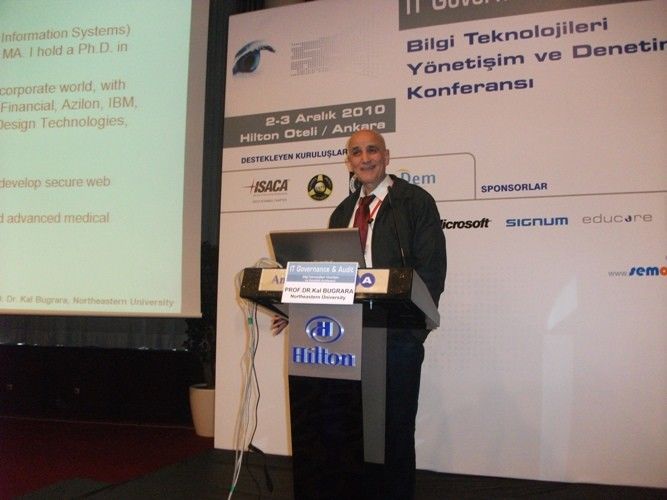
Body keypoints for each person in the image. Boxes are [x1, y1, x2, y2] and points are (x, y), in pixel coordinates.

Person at [328, 129, 446, 499]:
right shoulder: (342, 212)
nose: (365, 158)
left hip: (397, 337)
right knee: (353, 432)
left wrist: (414, 330)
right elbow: (330, 274)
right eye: (356, 152)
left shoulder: (413, 202)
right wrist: (298, 309)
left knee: (394, 432)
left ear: (387, 156)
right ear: (349, 161)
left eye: (372, 150)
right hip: (347, 339)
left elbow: (432, 270)